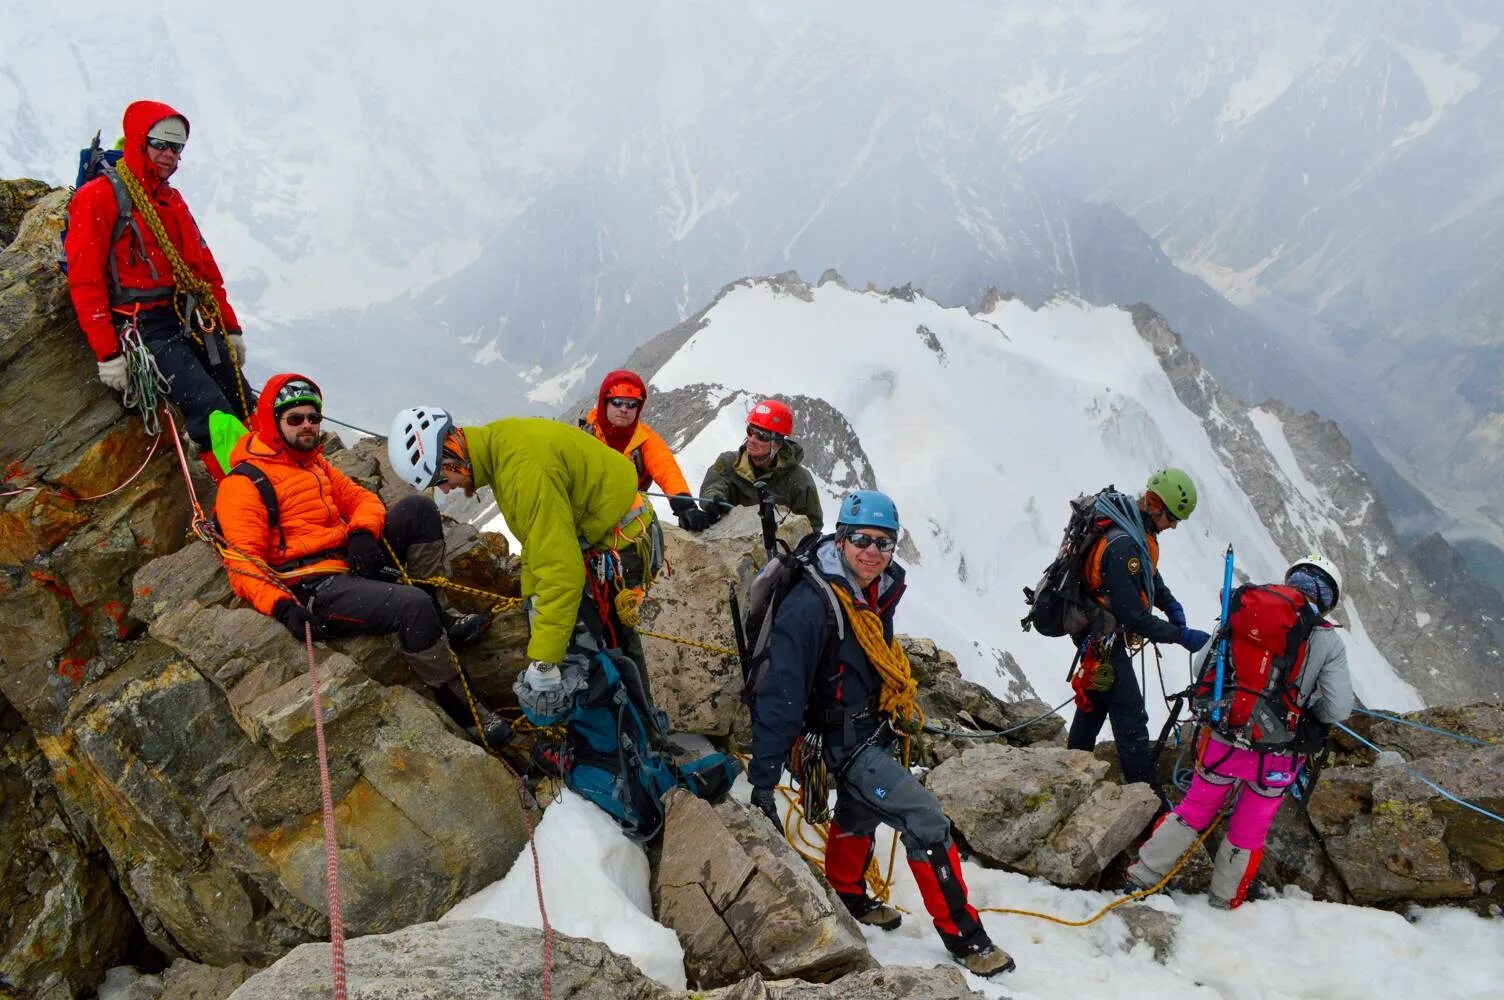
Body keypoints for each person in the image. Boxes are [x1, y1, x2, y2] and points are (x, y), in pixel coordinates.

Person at [747, 490, 1014, 978]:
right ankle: (966, 937)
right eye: (863, 540)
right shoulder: (813, 605)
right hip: (842, 741)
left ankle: (848, 895)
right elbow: (781, 694)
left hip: (869, 725)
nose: (873, 552)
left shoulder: (872, 589)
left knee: (861, 810)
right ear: (842, 539)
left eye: (884, 543)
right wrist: (762, 781)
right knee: (925, 818)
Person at [215, 375, 504, 745]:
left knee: (418, 509)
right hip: (316, 585)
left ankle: (441, 615)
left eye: (313, 418)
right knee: (412, 605)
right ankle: (467, 711)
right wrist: (283, 606)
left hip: (347, 560)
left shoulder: (314, 465)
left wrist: (363, 534)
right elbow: (242, 563)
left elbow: (363, 501)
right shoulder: (243, 484)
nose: (308, 426)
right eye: (295, 419)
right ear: (273, 422)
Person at [1127, 555, 1353, 909]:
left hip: (1223, 738)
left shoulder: (1243, 610)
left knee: (1194, 810)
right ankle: (1224, 898)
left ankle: (1143, 876)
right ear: (1327, 599)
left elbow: (1202, 666)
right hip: (1279, 753)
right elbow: (1338, 707)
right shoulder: (1326, 639)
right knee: (1249, 828)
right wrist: (1306, 713)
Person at [387, 408, 659, 699]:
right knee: (608, 645)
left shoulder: (521, 472)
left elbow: (560, 569)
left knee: (610, 647)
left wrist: (544, 660)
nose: (444, 489)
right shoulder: (498, 446)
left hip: (620, 544)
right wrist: (531, 598)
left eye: (439, 479)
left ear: (450, 456)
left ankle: (641, 735)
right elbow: (538, 541)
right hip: (608, 532)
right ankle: (635, 727)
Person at [64, 100, 252, 479]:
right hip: (140, 327)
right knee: (212, 410)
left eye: (176, 148)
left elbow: (202, 269)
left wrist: (230, 328)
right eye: (160, 144)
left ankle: (285, 478)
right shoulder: (98, 198)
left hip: (184, 315)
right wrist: (108, 354)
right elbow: (85, 281)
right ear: (138, 142)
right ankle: (248, 490)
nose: (169, 155)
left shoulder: (170, 199)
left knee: (244, 398)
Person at [1066, 469, 1211, 792]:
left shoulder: (1133, 528)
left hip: (1098, 631)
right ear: (1156, 504)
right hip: (1103, 634)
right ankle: (1143, 794)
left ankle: (1071, 770)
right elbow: (1134, 617)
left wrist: (1169, 603)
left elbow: (1149, 575)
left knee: (1096, 702)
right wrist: (1182, 636)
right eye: (1172, 518)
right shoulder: (1123, 547)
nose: (1173, 526)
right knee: (1131, 715)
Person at [580, 369, 712, 532]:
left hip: (627, 515)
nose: (624, 409)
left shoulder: (645, 440)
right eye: (617, 402)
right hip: (583, 509)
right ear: (604, 402)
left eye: (631, 404)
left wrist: (686, 506)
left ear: (638, 408)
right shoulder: (583, 434)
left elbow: (666, 469)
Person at [697, 399, 823, 533]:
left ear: (778, 444)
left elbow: (812, 525)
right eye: (750, 431)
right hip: (729, 538)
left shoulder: (799, 479)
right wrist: (713, 500)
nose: (751, 439)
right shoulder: (728, 462)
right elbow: (713, 487)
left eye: (761, 436)